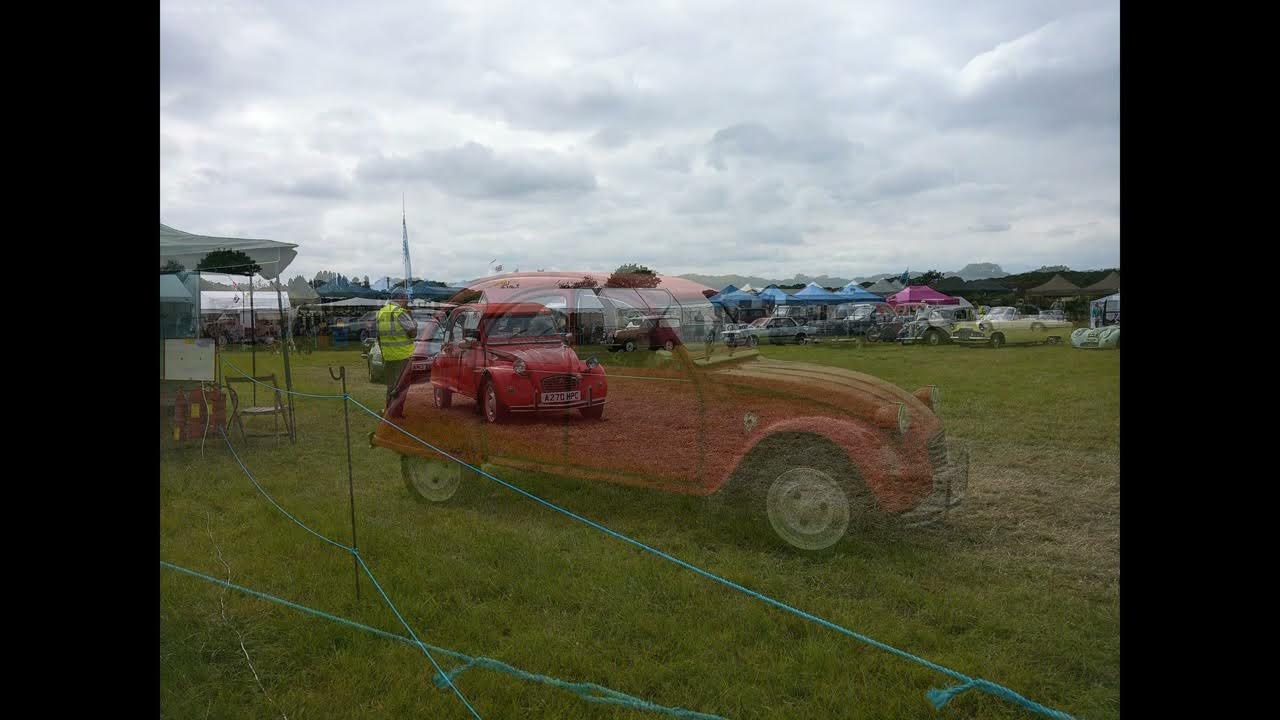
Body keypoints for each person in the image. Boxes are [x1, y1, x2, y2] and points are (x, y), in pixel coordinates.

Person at [377, 289, 418, 415]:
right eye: (406, 299)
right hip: (403, 356)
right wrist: (412, 319)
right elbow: (413, 333)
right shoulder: (400, 312)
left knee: (391, 385)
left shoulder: (381, 312)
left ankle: (389, 410)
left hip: (388, 356)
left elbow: (378, 336)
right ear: (401, 298)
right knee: (402, 386)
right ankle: (396, 413)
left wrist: (384, 353)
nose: (407, 302)